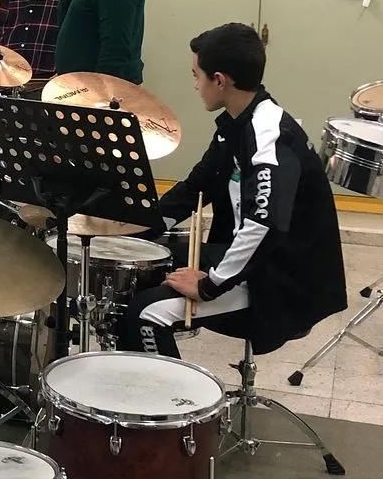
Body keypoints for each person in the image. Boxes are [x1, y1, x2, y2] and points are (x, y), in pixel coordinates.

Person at [118, 23, 348, 359]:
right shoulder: (238, 122)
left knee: (145, 313)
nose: (195, 85)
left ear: (220, 81)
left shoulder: (269, 138)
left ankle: (175, 409)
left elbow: (262, 224)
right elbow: (196, 186)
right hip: (255, 258)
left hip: (278, 280)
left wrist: (209, 285)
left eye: (197, 75)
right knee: (141, 268)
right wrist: (138, 228)